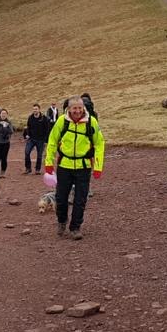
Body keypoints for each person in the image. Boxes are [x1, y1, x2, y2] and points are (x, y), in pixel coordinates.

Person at [45, 96, 106, 240]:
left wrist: (98, 167)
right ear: (69, 109)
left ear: (83, 108)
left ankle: (75, 227)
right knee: (61, 198)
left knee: (80, 199)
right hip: (64, 166)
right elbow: (52, 141)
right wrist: (49, 163)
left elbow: (99, 144)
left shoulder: (91, 122)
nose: (77, 111)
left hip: (83, 167)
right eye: (74, 108)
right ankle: (61, 221)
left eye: (80, 108)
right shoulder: (62, 121)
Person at [23, 104, 51, 174]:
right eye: (34, 109)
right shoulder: (30, 118)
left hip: (40, 140)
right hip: (31, 139)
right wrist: (27, 135)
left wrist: (45, 140)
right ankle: (28, 168)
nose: (34, 110)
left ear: (39, 109)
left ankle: (37, 169)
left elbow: (47, 130)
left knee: (39, 155)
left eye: (36, 109)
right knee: (27, 152)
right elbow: (28, 127)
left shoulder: (44, 118)